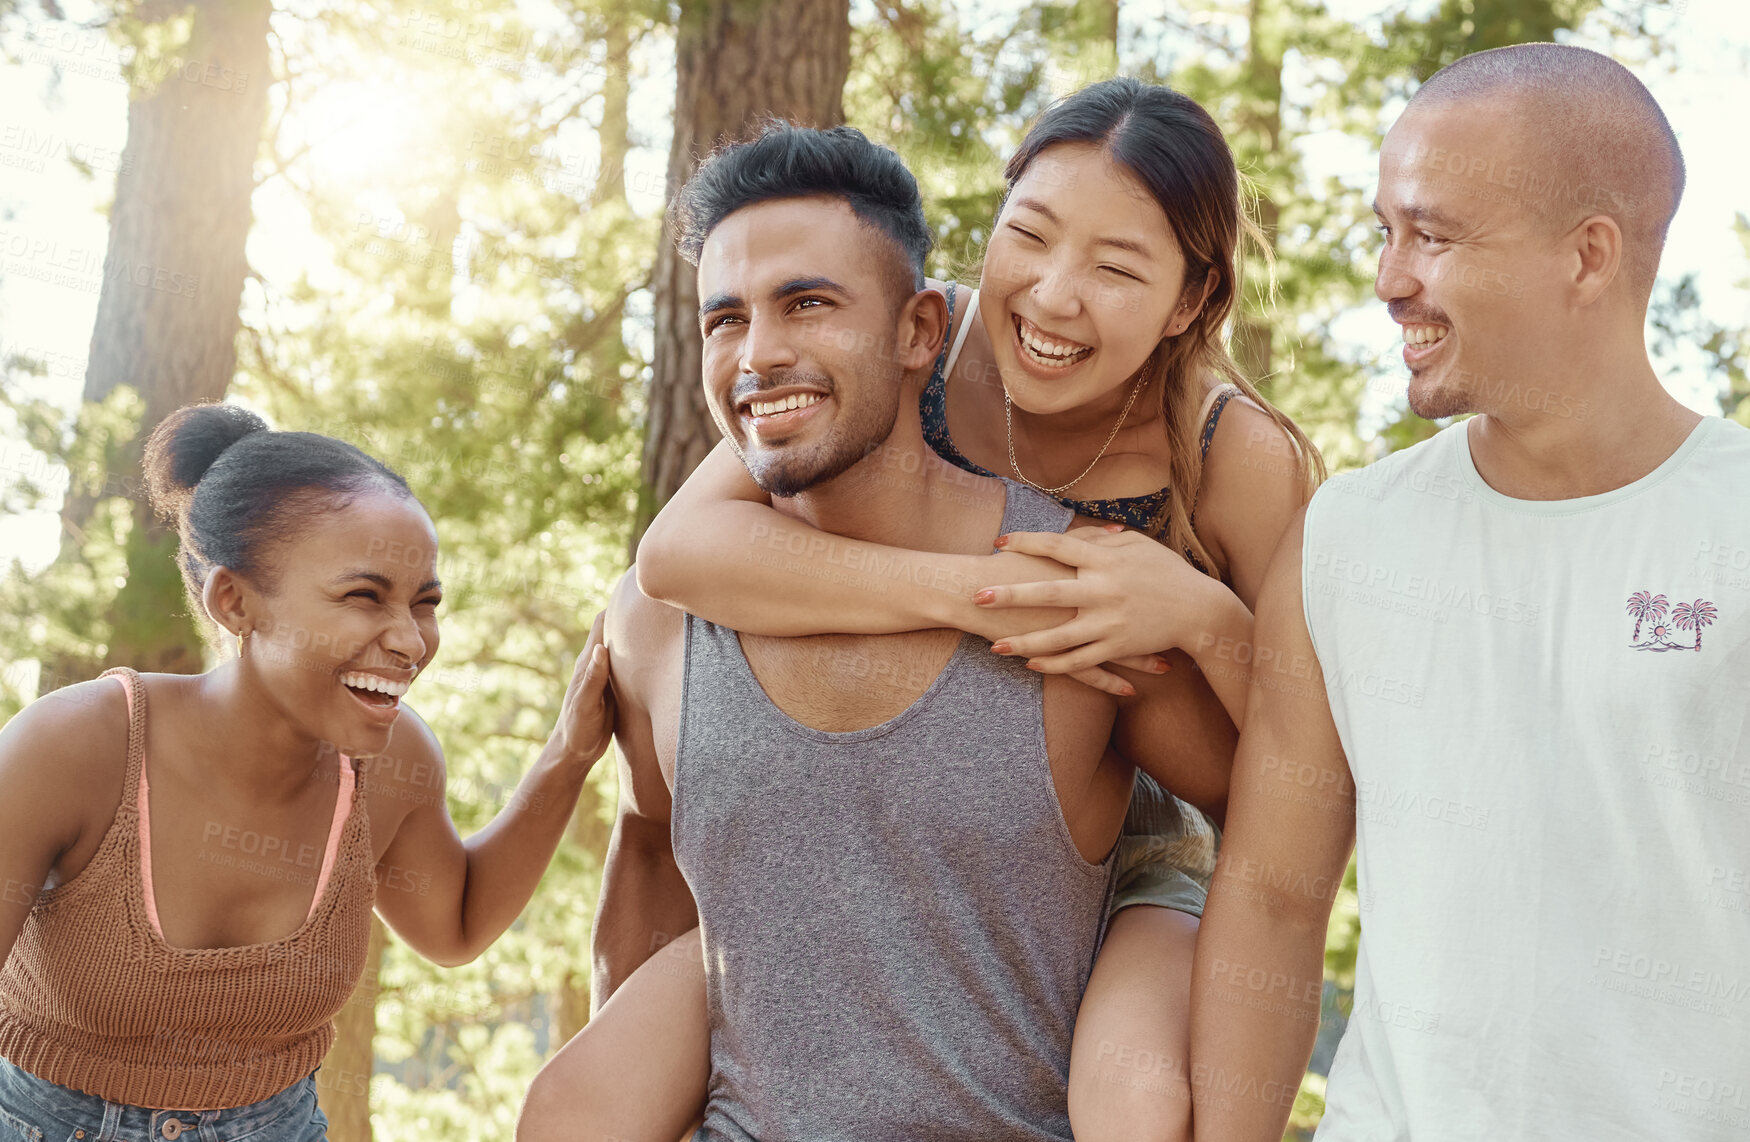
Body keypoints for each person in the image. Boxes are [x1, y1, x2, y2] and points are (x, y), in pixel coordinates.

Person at [627, 77, 1323, 1139]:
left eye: (1117, 267)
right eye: (1028, 235)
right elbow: (678, 553)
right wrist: (986, 594)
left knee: (1133, 1100)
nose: (1050, 295)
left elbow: (1306, 743)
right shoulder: (916, 348)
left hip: (1141, 840)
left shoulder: (1235, 457)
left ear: (1188, 301)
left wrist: (1197, 613)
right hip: (932, 828)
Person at [1190, 43, 1750, 1141]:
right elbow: (1272, 896)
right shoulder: (1346, 536)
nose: (1389, 277)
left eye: (1433, 236)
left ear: (1586, 257)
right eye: (1384, 232)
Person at [0, 405, 613, 1141]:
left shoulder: (394, 765)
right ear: (233, 601)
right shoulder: (77, 746)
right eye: (365, 596)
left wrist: (569, 754)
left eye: (425, 604)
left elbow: (454, 926)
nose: (411, 640)